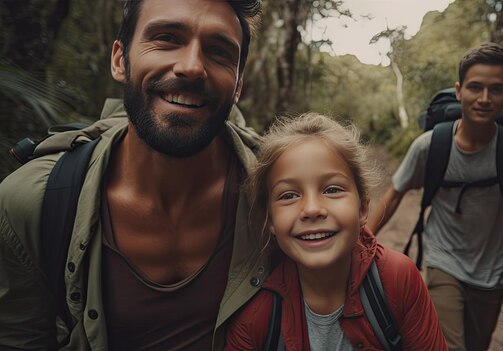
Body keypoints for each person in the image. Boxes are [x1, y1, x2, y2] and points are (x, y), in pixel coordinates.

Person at [0, 0, 266, 349]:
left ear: (238, 84)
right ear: (120, 59)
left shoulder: (282, 192)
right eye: (167, 38)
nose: (191, 67)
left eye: (219, 52)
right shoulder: (32, 202)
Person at [368, 43, 503, 351]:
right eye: (475, 87)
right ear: (459, 90)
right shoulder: (429, 146)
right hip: (442, 260)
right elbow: (393, 196)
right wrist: (360, 244)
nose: (485, 99)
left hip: (492, 271)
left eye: (496, 89)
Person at [226, 113, 448, 350]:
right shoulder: (256, 318)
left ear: (363, 207)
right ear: (269, 219)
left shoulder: (398, 280)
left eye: (332, 189)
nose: (312, 209)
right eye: (289, 195)